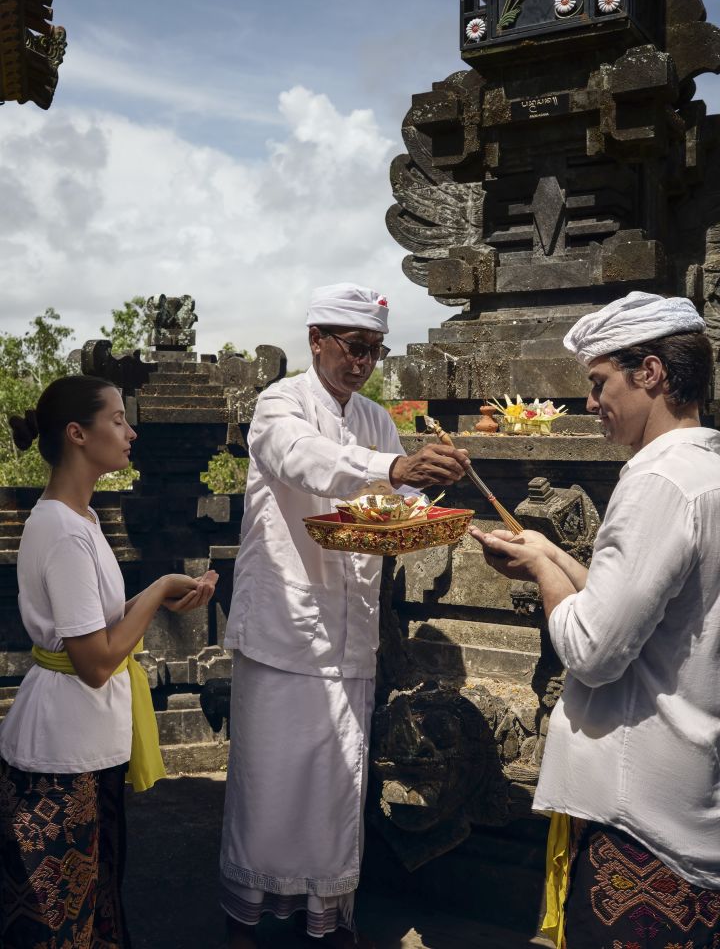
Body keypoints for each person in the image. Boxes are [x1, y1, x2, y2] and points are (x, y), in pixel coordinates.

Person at [220, 284, 469, 949]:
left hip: (351, 625)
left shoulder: (376, 417)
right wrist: (393, 466)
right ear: (317, 342)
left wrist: (432, 479)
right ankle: (258, 918)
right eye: (354, 348)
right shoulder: (280, 405)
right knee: (272, 782)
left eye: (374, 351)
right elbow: (305, 460)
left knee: (339, 780)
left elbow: (400, 495)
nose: (363, 362)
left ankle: (324, 916)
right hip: (286, 619)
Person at [469, 291, 720, 949]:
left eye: (599, 381)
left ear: (652, 373)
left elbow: (593, 648)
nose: (590, 402)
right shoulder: (706, 469)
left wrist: (547, 575)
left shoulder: (654, 480)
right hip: (690, 787)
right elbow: (644, 613)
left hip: (640, 813)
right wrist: (550, 553)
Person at [0, 375, 218, 948]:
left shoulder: (85, 520)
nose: (131, 430)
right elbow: (95, 660)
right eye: (118, 419)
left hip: (89, 741)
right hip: (60, 750)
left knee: (97, 905)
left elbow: (93, 620)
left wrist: (158, 595)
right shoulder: (64, 531)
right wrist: (159, 589)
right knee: (61, 923)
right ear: (77, 434)